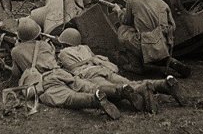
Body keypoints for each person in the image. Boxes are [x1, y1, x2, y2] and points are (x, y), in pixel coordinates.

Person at [10, 17, 140, 120]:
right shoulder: (45, 45)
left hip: (45, 81)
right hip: (62, 73)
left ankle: (94, 100)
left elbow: (16, 73)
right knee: (88, 86)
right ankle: (120, 90)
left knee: (69, 97)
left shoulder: (16, 51)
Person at [57, 28, 186, 113]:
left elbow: (70, 68)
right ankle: (163, 84)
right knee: (130, 82)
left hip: (90, 74)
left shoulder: (63, 53)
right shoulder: (85, 47)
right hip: (104, 68)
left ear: (64, 42)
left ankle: (140, 90)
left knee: (113, 88)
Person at [111, 0, 191, 78]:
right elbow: (172, 26)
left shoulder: (132, 0)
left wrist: (118, 11)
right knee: (152, 38)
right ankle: (167, 60)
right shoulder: (162, 3)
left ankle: (136, 66)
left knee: (123, 30)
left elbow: (126, 21)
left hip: (148, 43)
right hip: (164, 45)